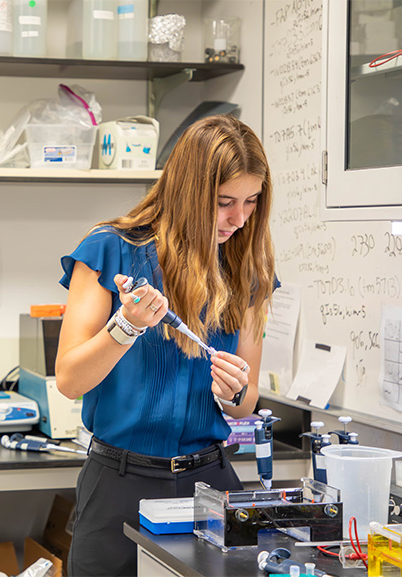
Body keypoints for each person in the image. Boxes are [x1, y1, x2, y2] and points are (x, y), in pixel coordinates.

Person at [56, 115, 277, 577]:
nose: (239, 219)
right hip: (119, 484)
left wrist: (234, 392)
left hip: (209, 486)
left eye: (251, 202)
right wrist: (126, 327)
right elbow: (70, 380)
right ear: (189, 192)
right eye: (223, 203)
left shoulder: (246, 268)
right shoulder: (110, 249)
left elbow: (245, 403)